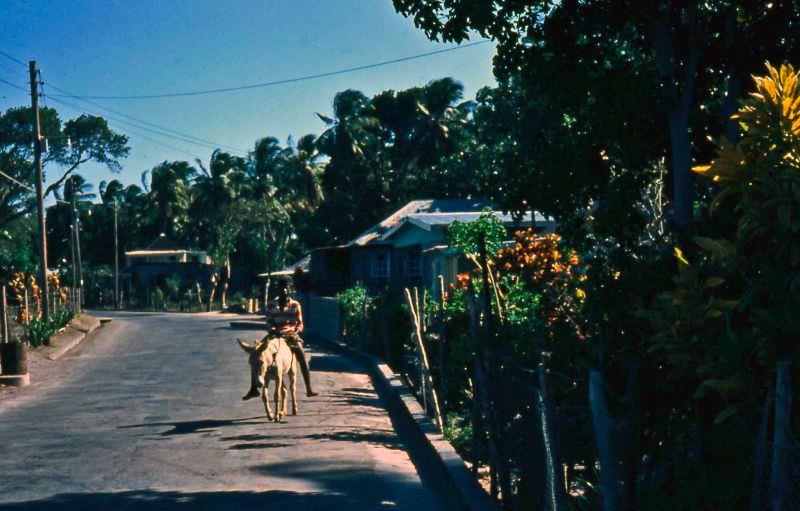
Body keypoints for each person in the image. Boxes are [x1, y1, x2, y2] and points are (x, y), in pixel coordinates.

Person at [264, 280, 318, 397]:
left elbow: (300, 324)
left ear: (289, 290)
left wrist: (296, 331)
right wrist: (273, 330)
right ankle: (255, 385)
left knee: (302, 356)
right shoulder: (271, 305)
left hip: (291, 336)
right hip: (276, 335)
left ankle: (309, 388)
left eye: (286, 287)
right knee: (259, 352)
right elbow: (268, 322)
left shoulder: (295, 305)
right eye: (281, 287)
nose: (284, 290)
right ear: (277, 289)